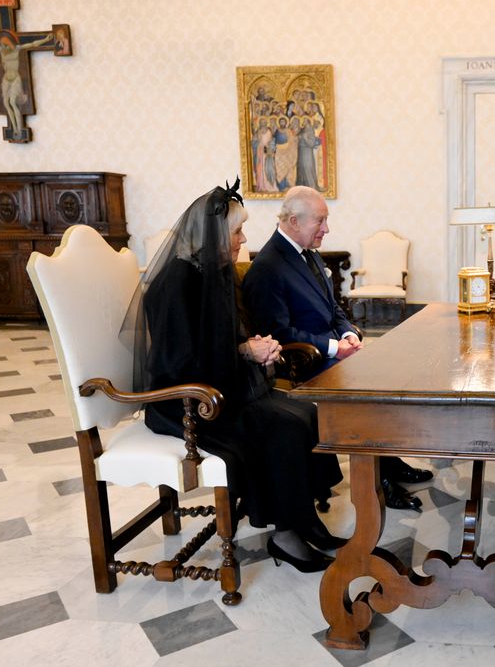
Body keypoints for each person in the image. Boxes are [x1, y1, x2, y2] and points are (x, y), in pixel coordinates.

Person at [122, 180, 345, 574]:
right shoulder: (175, 283)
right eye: (237, 232)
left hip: (221, 385)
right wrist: (244, 351)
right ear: (211, 236)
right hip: (186, 401)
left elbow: (223, 339)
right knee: (284, 426)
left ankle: (304, 519)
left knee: (307, 413)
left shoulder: (215, 271)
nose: (243, 240)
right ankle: (286, 536)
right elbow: (181, 362)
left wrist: (254, 346)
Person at [242, 185, 433, 510]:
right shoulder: (268, 267)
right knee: (368, 388)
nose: (327, 229)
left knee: (388, 373)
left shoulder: (309, 253)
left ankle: (390, 463)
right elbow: (277, 333)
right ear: (293, 221)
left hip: (330, 351)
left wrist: (349, 333)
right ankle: (379, 482)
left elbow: (334, 308)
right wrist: (334, 347)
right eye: (320, 220)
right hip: (303, 362)